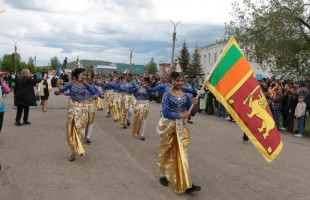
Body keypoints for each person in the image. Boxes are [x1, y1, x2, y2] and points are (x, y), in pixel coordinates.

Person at [156, 71, 201, 194]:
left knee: (183, 153)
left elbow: (191, 112)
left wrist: (195, 105)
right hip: (168, 126)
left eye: (182, 81)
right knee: (167, 150)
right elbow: (165, 112)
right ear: (172, 81)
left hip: (180, 128)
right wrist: (181, 114)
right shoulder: (167, 94)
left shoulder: (186, 96)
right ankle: (163, 175)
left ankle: (186, 183)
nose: (180, 83)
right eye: (178, 80)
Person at [55, 68, 98, 161]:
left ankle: (79, 146)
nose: (84, 76)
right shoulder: (70, 83)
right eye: (82, 74)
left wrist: (90, 98)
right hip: (73, 110)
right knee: (71, 131)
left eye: (85, 75)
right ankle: (73, 152)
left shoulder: (85, 84)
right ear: (77, 75)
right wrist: (58, 92)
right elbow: (61, 91)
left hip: (82, 109)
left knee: (82, 133)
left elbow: (94, 93)